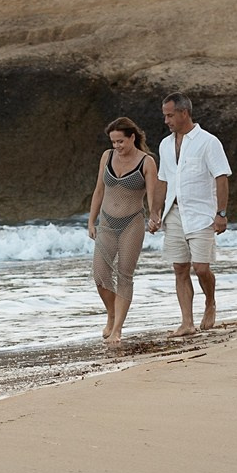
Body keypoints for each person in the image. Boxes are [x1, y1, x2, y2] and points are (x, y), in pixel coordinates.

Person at [157, 92, 231, 334]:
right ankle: (187, 322)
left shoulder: (208, 142)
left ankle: (210, 302)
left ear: (184, 113)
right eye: (165, 115)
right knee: (179, 267)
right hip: (173, 214)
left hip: (202, 214)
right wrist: (155, 212)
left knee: (200, 268)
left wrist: (221, 213)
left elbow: (221, 177)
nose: (166, 120)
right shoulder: (165, 145)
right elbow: (163, 180)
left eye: (170, 115)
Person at [85, 117, 163, 345]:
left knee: (124, 275)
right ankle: (112, 313)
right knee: (100, 275)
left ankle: (117, 329)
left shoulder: (146, 162)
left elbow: (152, 196)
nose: (116, 146)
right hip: (107, 222)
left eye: (120, 141)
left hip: (132, 223)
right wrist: (91, 221)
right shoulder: (107, 156)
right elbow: (99, 190)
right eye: (113, 142)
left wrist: (154, 217)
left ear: (132, 137)